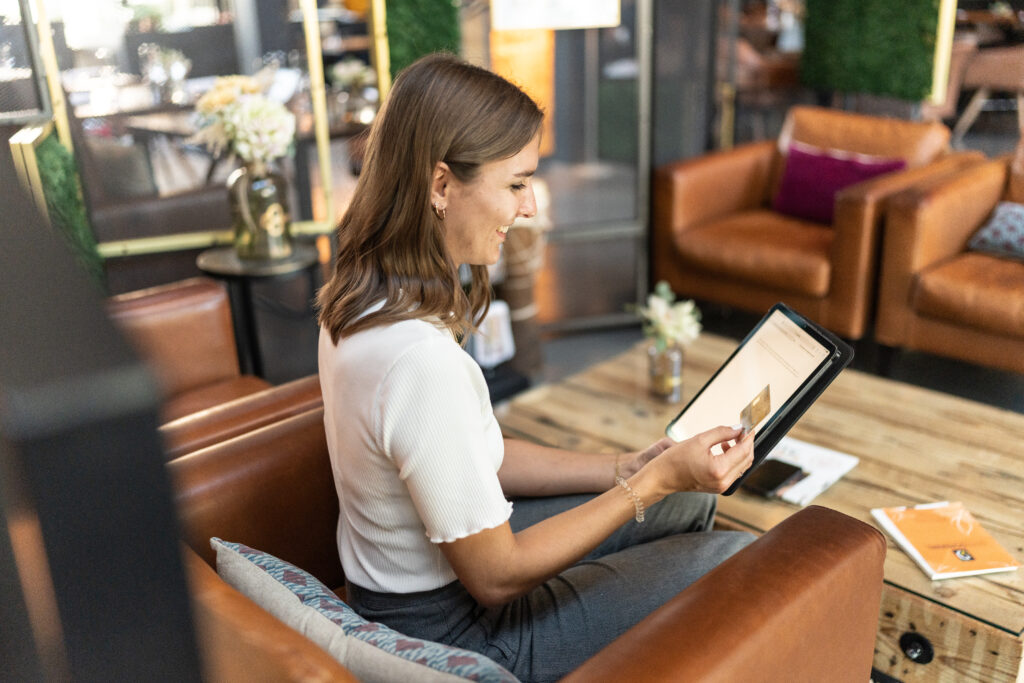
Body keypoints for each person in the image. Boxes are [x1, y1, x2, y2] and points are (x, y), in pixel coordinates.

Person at [316, 53, 756, 682]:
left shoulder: (364, 293)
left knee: (682, 505)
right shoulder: (417, 359)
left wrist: (625, 468)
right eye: (516, 183)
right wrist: (650, 486)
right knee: (735, 556)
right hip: (458, 632)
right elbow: (496, 578)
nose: (529, 208)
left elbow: (477, 454)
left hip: (425, 588)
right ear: (441, 186)